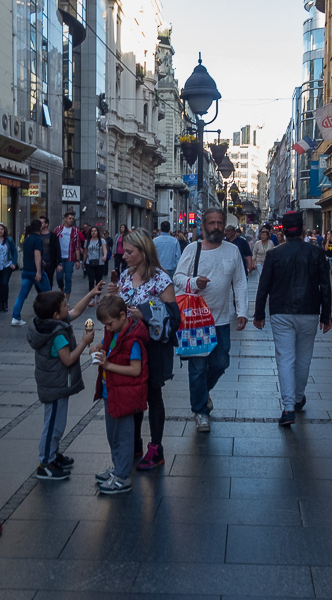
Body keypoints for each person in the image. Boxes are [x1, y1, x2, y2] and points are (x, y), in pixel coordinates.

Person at [173, 207, 249, 433]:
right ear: (203, 226)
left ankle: (203, 394)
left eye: (219, 223)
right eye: (212, 223)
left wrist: (242, 311)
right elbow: (177, 278)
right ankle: (200, 411)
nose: (216, 227)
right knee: (197, 368)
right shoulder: (192, 249)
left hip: (221, 320)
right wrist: (194, 282)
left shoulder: (232, 251)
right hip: (196, 320)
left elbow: (240, 282)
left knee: (221, 363)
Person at [253, 211, 332, 426]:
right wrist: (326, 315)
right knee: (304, 357)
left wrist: (259, 313)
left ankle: (289, 407)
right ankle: (298, 397)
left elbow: (264, 286)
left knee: (285, 358)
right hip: (309, 309)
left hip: (281, 311)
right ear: (303, 228)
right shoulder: (316, 253)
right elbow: (325, 285)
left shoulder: (275, 254)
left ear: (284, 231)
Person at [113, 229, 179, 470]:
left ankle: (156, 448)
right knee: (135, 394)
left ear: (143, 252)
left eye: (129, 252)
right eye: (124, 251)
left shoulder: (161, 279)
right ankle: (135, 442)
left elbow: (174, 317)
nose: (124, 255)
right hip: (130, 345)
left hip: (153, 347)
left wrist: (146, 315)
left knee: (153, 395)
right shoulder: (125, 276)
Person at [27, 287, 101, 480]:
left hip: (53, 382)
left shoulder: (49, 323)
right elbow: (68, 359)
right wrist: (84, 342)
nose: (67, 306)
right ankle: (45, 463)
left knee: (56, 423)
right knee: (53, 425)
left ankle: (53, 454)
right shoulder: (57, 334)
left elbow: (76, 311)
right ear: (55, 314)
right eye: (64, 305)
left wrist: (91, 293)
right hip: (55, 384)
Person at [91, 294, 148, 494]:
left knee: (123, 436)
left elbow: (135, 369)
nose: (107, 328)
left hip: (125, 394)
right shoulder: (114, 332)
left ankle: (123, 476)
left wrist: (108, 365)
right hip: (111, 391)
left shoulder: (133, 340)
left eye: (109, 324)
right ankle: (117, 468)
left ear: (123, 316)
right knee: (113, 434)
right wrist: (99, 346)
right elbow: (108, 341)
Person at [12, 220, 50, 326]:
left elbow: (29, 255)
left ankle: (15, 317)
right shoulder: (38, 239)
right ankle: (51, 315)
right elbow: (36, 255)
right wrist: (38, 271)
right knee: (48, 294)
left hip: (26, 271)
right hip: (35, 271)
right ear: (39, 227)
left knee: (22, 295)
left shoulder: (27, 239)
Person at [53, 211, 84, 299]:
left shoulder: (75, 231)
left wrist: (77, 260)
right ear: (65, 219)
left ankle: (67, 298)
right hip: (59, 258)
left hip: (70, 258)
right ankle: (62, 289)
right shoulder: (58, 229)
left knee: (68, 278)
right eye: (69, 218)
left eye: (72, 219)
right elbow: (54, 244)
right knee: (59, 278)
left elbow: (77, 246)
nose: (71, 220)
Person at [83, 226, 108, 302]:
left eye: (95, 231)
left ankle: (98, 295)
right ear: (90, 233)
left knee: (98, 280)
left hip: (99, 263)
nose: (93, 232)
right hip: (89, 263)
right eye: (92, 231)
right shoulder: (87, 241)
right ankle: (91, 298)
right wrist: (83, 262)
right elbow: (85, 252)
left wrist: (105, 256)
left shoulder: (102, 241)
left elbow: (105, 249)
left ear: (98, 232)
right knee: (91, 280)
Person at [36, 216, 60, 289]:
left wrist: (59, 263)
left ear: (46, 224)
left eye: (41, 222)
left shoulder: (52, 236)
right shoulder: (37, 236)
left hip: (50, 263)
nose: (39, 224)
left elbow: (57, 249)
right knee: (38, 284)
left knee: (49, 283)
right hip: (38, 264)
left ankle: (48, 298)